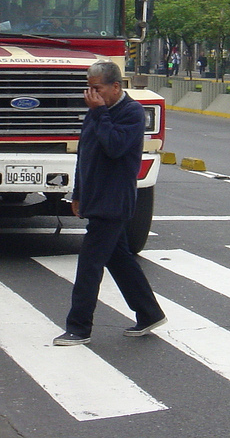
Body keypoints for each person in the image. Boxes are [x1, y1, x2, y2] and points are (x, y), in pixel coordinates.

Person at [54, 60, 166, 346]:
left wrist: (100, 112)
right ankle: (149, 313)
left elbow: (114, 147)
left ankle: (79, 328)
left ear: (115, 87)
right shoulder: (96, 111)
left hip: (114, 200)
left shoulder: (131, 112)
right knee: (119, 259)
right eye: (89, 88)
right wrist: (78, 193)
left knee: (89, 264)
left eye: (97, 88)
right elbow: (85, 154)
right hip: (95, 197)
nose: (91, 94)